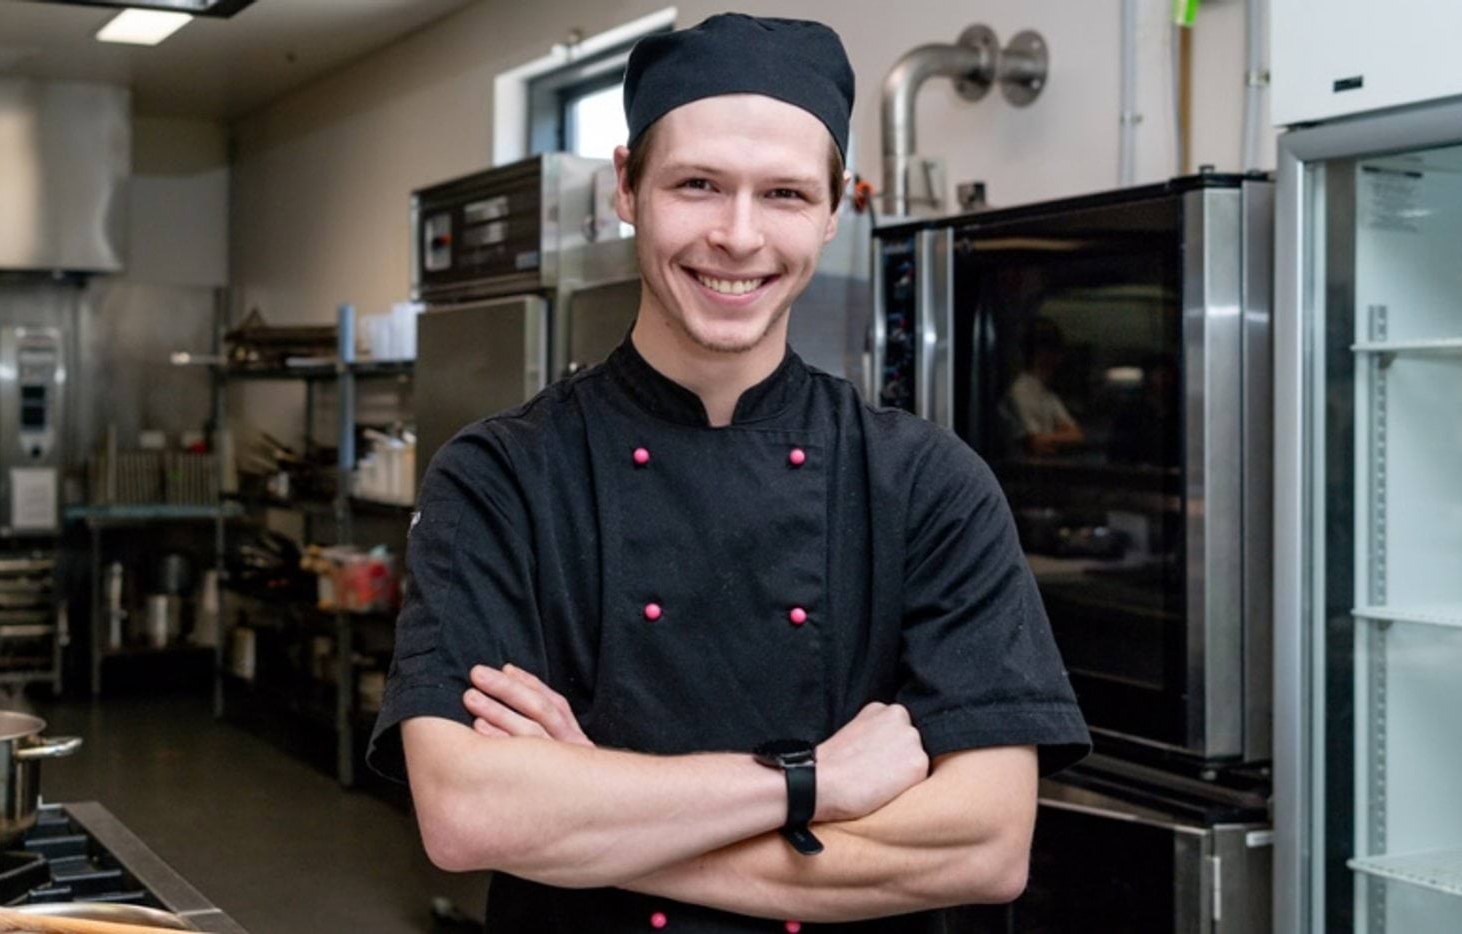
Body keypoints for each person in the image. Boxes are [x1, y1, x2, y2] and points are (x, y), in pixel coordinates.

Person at [368, 13, 1089, 932]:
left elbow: (986, 847)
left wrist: (593, 818)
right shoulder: (500, 477)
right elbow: (470, 816)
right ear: (627, 186)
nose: (738, 237)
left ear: (835, 208)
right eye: (698, 184)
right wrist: (817, 781)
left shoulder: (929, 484)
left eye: (784, 194)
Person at [1001, 317, 1085, 457]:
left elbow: (1076, 436)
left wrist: (1049, 439)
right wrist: (1056, 438)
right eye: (1053, 350)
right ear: (1040, 353)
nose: (1060, 359)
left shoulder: (1047, 394)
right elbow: (1036, 443)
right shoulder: (1020, 391)